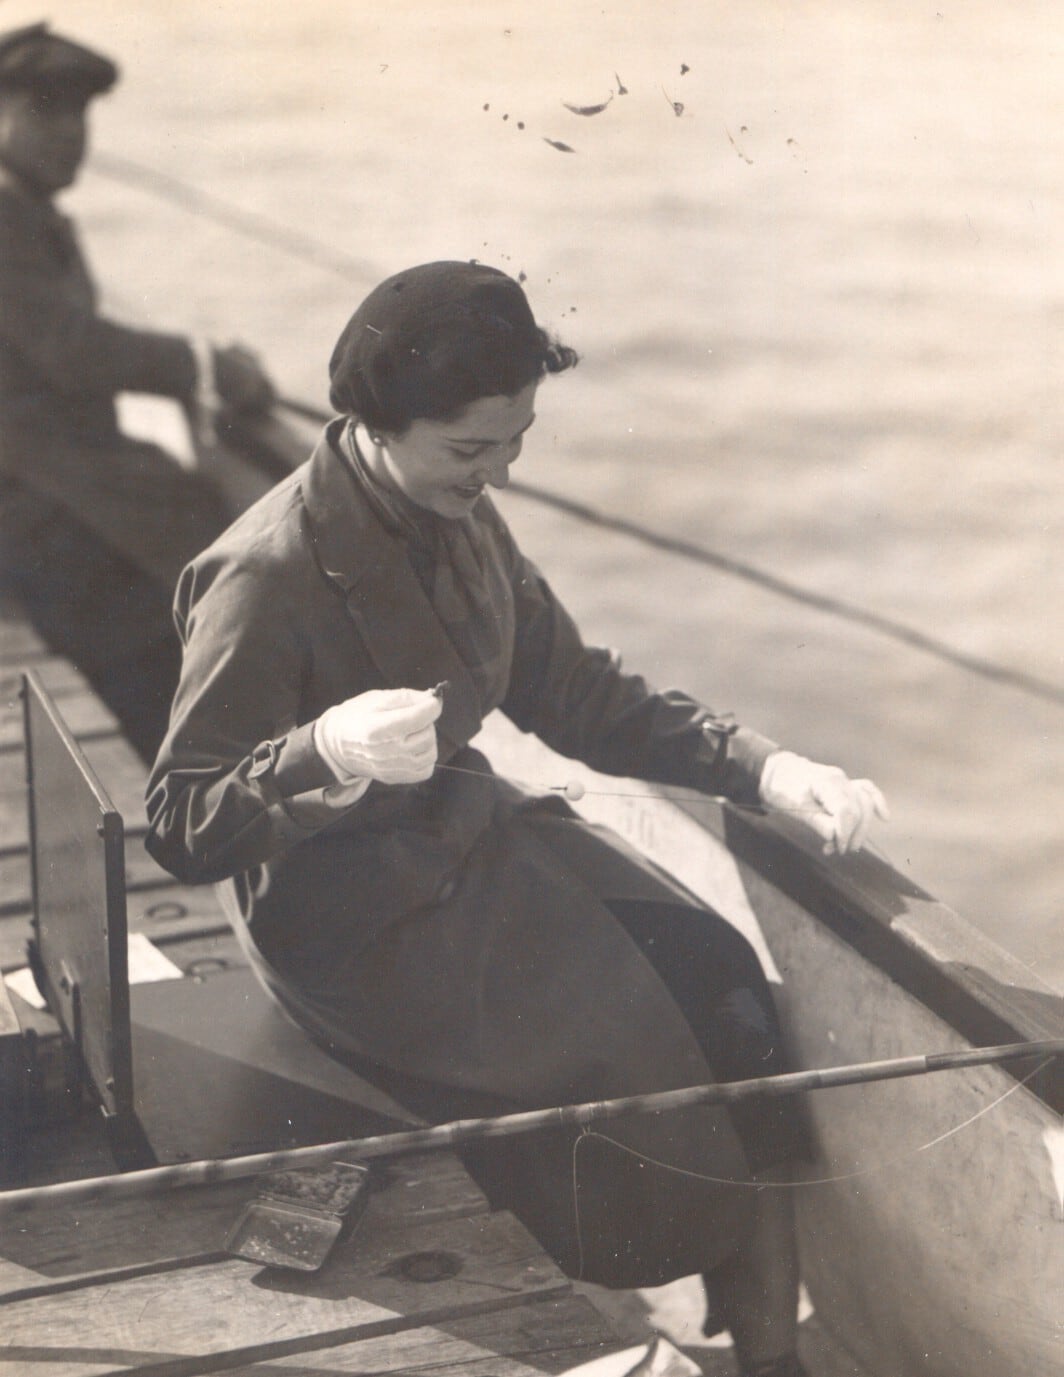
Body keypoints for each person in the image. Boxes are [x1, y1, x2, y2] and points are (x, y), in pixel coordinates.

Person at [145, 261, 888, 1377]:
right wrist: (318, 754)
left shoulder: (455, 511)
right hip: (347, 917)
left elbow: (574, 691)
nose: (498, 475)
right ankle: (614, 1283)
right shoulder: (266, 571)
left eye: (516, 442)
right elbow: (182, 818)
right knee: (614, 1054)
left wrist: (763, 766)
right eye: (470, 449)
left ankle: (768, 1357)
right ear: (375, 423)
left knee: (718, 974)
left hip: (460, 844)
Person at [0, 22, 274, 760]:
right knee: (194, 582)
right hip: (28, 494)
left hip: (47, 476)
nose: (71, 133)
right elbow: (71, 348)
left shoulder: (29, 211)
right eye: (46, 110)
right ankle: (204, 782)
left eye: (81, 113)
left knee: (202, 523)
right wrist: (201, 362)